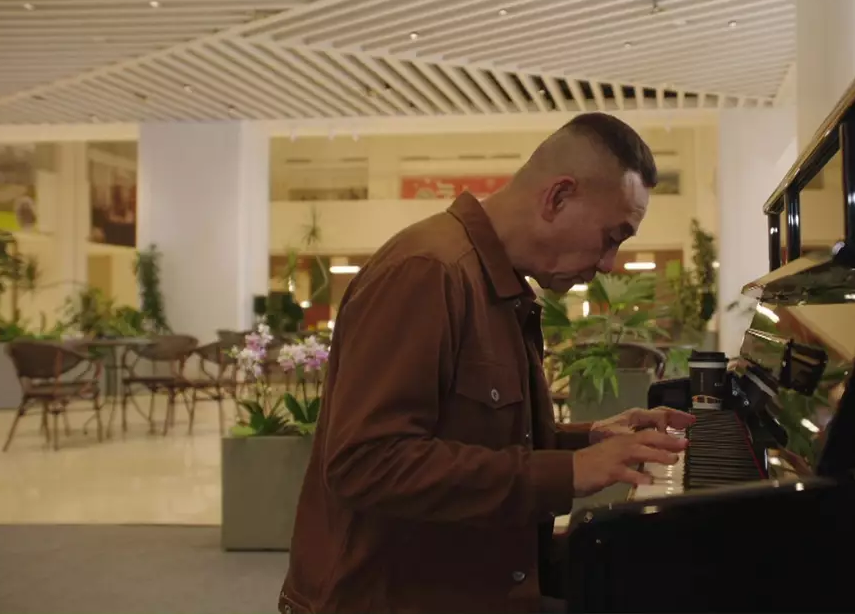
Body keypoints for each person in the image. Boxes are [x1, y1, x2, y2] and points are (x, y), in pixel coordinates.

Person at [279, 113, 695, 614]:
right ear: (558, 197)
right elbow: (365, 462)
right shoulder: (428, 271)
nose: (609, 264)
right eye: (612, 237)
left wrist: (588, 439)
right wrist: (569, 471)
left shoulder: (497, 283)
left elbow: (474, 436)